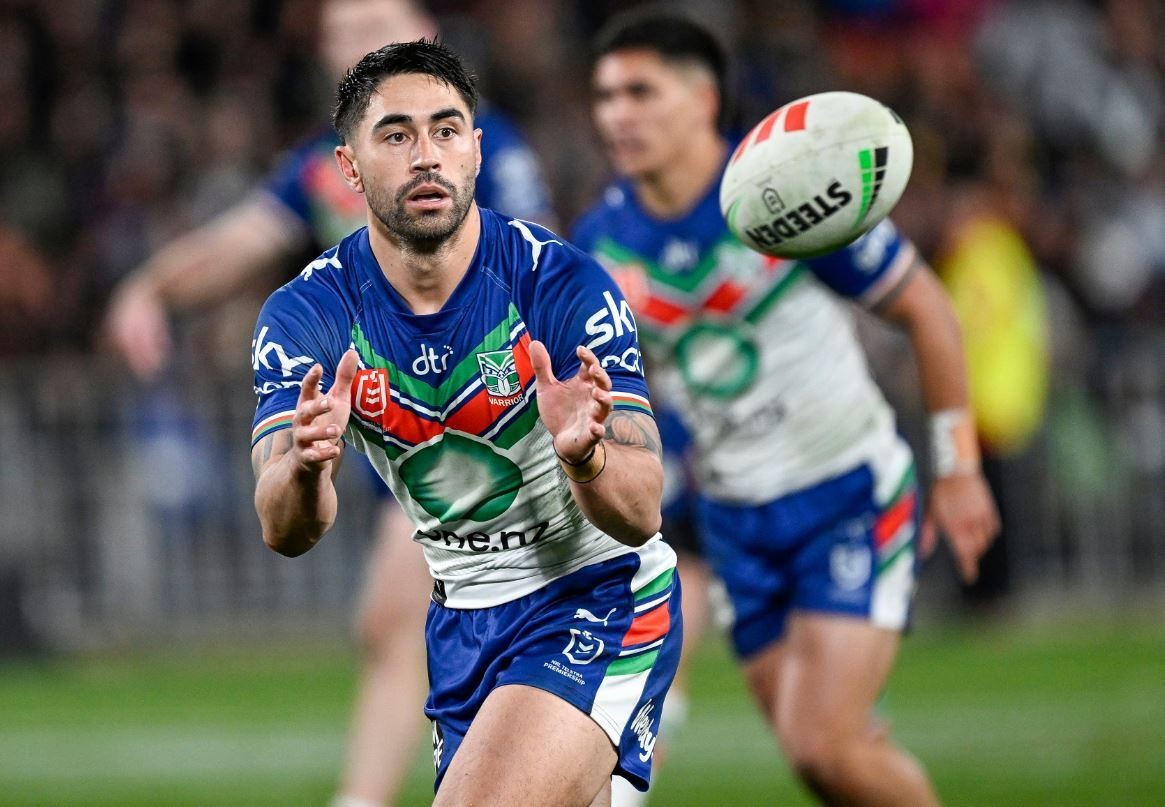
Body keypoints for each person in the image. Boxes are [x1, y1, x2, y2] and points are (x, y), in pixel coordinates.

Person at [102, 3, 554, 805]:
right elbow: (238, 239)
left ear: (427, 34)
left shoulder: (480, 148)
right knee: (395, 624)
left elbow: (532, 264)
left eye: (374, 23)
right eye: (340, 34)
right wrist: (152, 289)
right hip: (409, 424)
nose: (354, 42)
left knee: (430, 621)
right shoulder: (324, 166)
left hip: (496, 424)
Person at [572, 10, 1000, 805]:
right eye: (604, 96)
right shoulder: (601, 240)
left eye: (639, 91)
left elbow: (929, 313)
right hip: (735, 517)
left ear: (703, 101)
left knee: (824, 742)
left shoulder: (789, 187)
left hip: (843, 489)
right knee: (822, 762)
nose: (616, 114)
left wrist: (959, 467)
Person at [250, 40, 682, 806]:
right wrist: (307, 466)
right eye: (395, 135)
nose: (427, 156)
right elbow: (285, 528)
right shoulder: (307, 314)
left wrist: (585, 459)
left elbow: (643, 507)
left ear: (476, 151)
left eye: (447, 131)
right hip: (460, 626)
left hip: (598, 595)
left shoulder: (559, 285)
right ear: (347, 169)